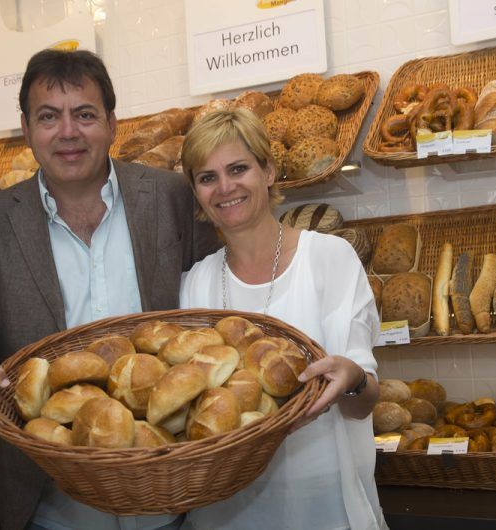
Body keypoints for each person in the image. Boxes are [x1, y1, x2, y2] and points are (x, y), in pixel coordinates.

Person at [0, 49, 218, 530]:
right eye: (48, 117)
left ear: (112, 122)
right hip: (52, 505)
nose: (68, 132)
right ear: (26, 128)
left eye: (84, 114)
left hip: (172, 490)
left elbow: (213, 298)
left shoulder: (168, 196)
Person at [178, 108, 387, 530]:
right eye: (207, 177)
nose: (225, 187)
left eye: (239, 168)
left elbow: (362, 406)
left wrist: (353, 377)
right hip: (226, 510)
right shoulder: (194, 284)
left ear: (269, 171)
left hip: (322, 503)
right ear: (196, 192)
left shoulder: (329, 259)